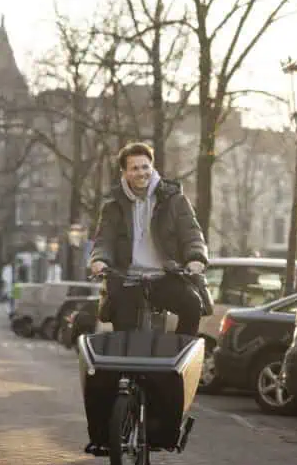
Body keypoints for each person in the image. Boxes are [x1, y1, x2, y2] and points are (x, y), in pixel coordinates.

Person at [89, 142, 209, 336]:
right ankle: (127, 365)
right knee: (122, 329)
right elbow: (104, 240)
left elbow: (192, 234)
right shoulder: (112, 207)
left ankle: (177, 355)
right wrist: (99, 261)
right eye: (134, 168)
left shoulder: (175, 201)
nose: (141, 172)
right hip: (127, 279)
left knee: (192, 304)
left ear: (152, 167)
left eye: (145, 167)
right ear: (125, 172)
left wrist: (196, 258)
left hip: (164, 277)